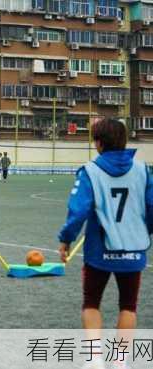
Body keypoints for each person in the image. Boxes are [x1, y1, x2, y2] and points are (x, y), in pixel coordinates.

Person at [58, 119, 153, 369]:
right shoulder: (143, 170)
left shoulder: (89, 171)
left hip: (99, 251)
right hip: (133, 249)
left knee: (91, 303)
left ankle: (95, 359)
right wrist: (144, 233)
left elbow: (77, 211)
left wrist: (66, 239)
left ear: (98, 143)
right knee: (128, 306)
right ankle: (120, 362)